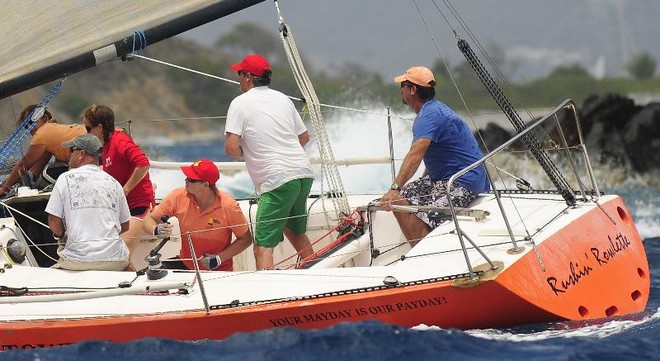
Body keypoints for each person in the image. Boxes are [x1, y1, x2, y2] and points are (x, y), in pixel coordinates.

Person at [380, 66, 490, 247]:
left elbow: (415, 154)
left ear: (413, 90)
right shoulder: (434, 109)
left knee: (397, 199)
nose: (401, 89)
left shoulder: (428, 116)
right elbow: (437, 154)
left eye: (404, 85)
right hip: (452, 177)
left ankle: (422, 251)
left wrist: (394, 187)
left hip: (462, 182)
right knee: (405, 194)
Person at [224, 54, 315, 270]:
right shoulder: (282, 98)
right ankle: (316, 276)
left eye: (240, 74)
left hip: (277, 182)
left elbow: (231, 148)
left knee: (262, 247)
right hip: (303, 174)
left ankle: (268, 293)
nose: (238, 78)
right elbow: (304, 138)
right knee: (295, 232)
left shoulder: (239, 103)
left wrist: (254, 154)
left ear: (248, 77)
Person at [141, 159, 252, 271]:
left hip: (217, 270)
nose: (186, 180)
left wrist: (218, 259)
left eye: (191, 179)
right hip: (186, 264)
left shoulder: (229, 206)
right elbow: (149, 219)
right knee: (149, 277)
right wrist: (155, 229)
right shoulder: (178, 196)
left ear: (205, 185)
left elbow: (245, 239)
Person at [83, 104, 156, 267]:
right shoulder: (106, 145)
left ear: (99, 127)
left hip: (138, 207)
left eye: (88, 128)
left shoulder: (120, 141)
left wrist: (126, 189)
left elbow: (143, 164)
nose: (86, 133)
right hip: (121, 209)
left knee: (119, 256)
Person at [45, 134, 131, 271]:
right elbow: (125, 225)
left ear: (81, 154)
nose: (69, 155)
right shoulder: (115, 183)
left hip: (78, 260)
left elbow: (54, 222)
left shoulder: (64, 179)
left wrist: (61, 236)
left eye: (71, 150)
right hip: (114, 260)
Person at [0, 104, 86, 196]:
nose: (29, 129)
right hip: (91, 154)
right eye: (26, 126)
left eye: (31, 123)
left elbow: (23, 166)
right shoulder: (52, 133)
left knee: (48, 174)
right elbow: (36, 169)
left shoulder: (42, 134)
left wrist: (5, 188)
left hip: (89, 154)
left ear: (45, 118)